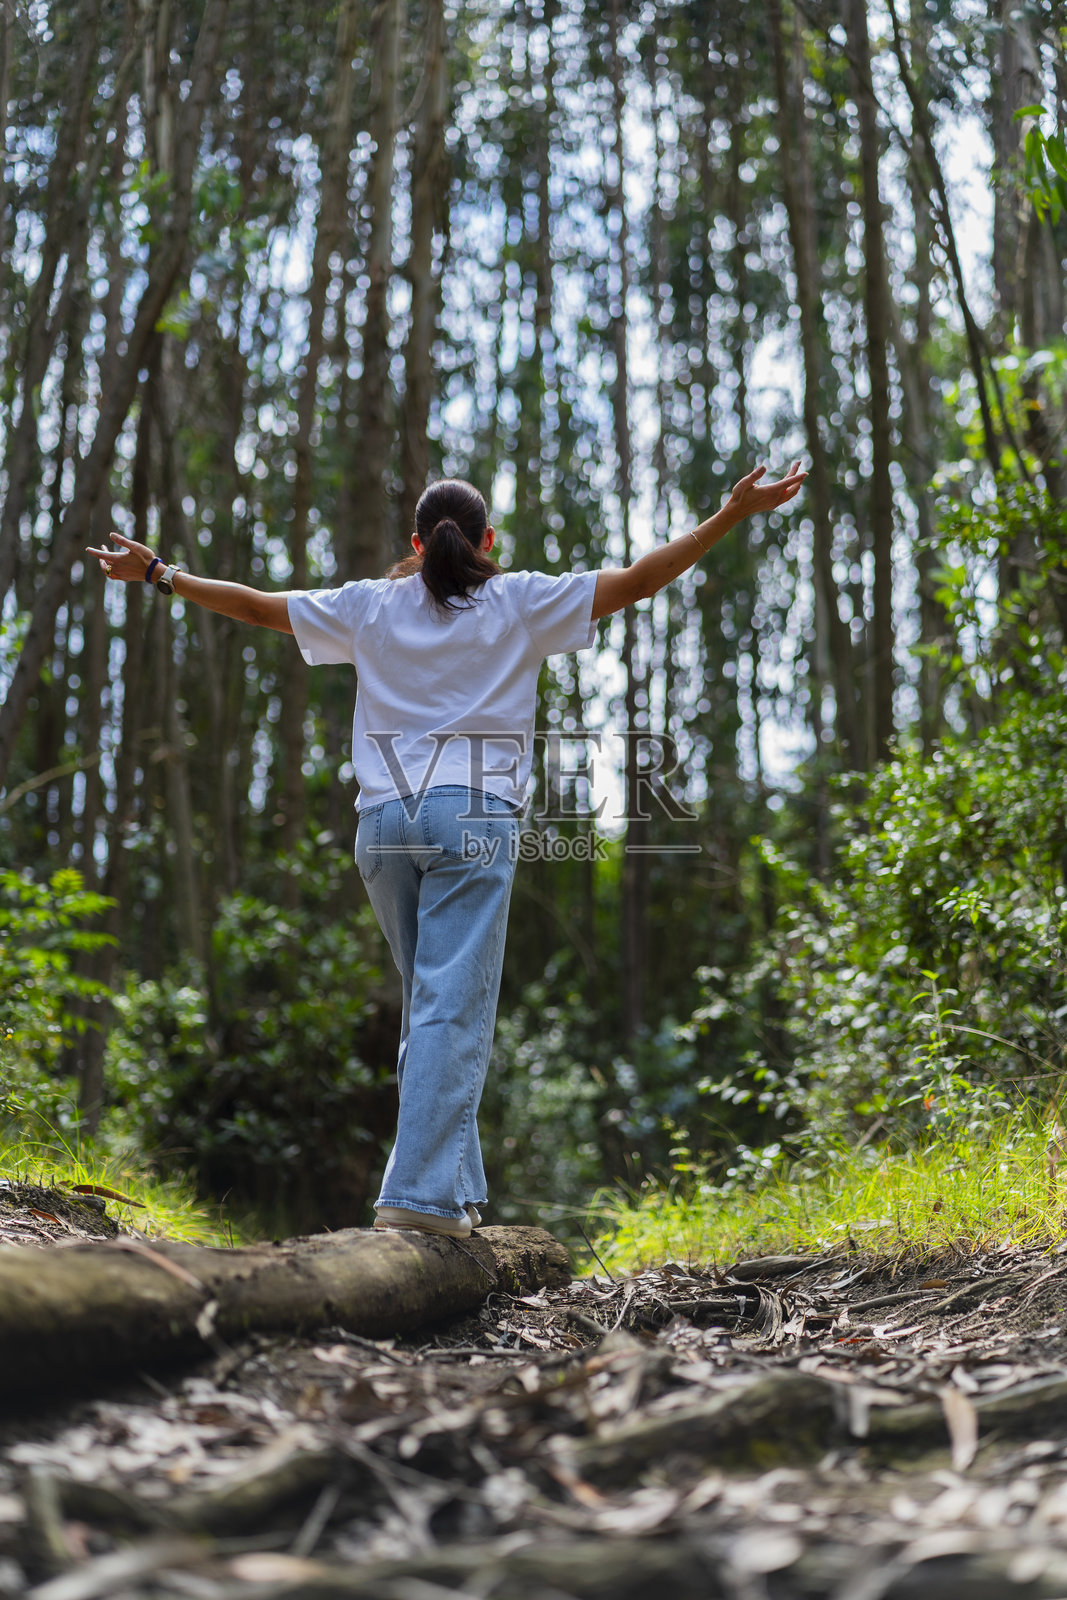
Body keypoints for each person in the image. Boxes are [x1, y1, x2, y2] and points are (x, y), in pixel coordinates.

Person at [87, 462, 805, 1238]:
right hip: (469, 819)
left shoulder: (369, 605)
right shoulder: (519, 600)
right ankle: (420, 1201)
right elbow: (639, 581)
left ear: (416, 541)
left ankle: (453, 1193)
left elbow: (260, 608)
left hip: (383, 826)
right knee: (449, 1011)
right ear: (486, 539)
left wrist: (162, 573)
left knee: (430, 1008)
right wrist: (728, 513)